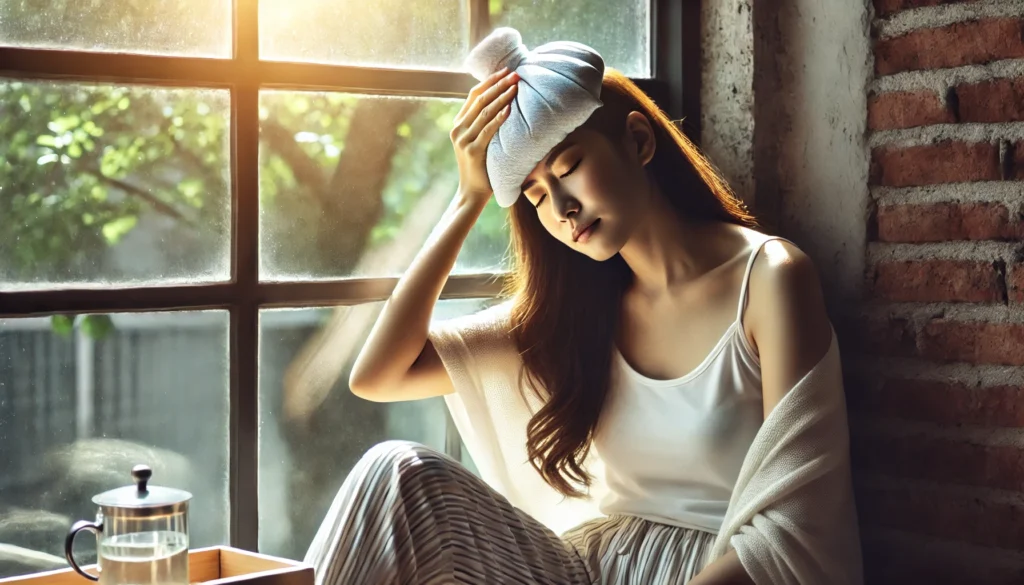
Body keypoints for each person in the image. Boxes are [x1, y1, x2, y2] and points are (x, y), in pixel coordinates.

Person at [304, 28, 863, 585]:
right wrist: (468, 199)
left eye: (569, 167)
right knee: (397, 474)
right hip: (585, 569)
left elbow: (796, 528)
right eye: (537, 194)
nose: (564, 209)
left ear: (639, 141)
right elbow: (378, 375)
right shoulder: (577, 311)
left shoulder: (769, 281)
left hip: (723, 573)